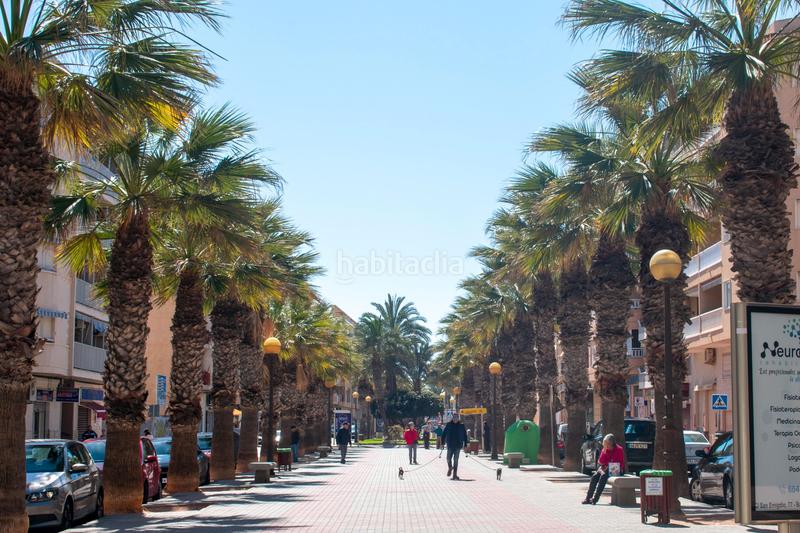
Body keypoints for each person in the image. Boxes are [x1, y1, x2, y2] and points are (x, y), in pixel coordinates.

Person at [583, 434, 625, 505]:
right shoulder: (605, 449)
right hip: (606, 468)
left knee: (603, 476)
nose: (605, 446)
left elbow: (615, 463)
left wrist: (605, 467)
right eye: (604, 444)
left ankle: (595, 499)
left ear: (611, 443)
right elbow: (600, 461)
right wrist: (604, 452)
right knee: (595, 476)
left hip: (617, 470)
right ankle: (588, 498)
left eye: (606, 444)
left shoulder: (619, 449)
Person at [442, 413, 469, 480]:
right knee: (448, 458)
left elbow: (465, 436)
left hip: (458, 445)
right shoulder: (448, 425)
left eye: (456, 418)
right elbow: (444, 434)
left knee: (456, 460)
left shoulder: (461, 426)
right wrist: (442, 443)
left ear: (458, 418)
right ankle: (450, 467)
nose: (455, 419)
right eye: (454, 417)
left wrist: (465, 445)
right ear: (452, 418)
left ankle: (454, 475)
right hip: (450, 445)